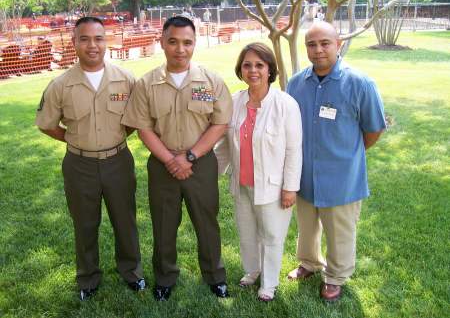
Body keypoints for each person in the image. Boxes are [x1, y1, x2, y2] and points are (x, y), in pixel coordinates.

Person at [121, 16, 232, 301]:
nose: (180, 49)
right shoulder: (147, 84)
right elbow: (142, 127)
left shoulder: (210, 81)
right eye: (173, 42)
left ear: (195, 43)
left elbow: (219, 124)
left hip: (202, 162)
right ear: (162, 42)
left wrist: (190, 156)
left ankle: (215, 276)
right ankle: (165, 277)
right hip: (162, 164)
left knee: (207, 223)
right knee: (164, 224)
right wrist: (171, 160)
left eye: (187, 42)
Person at [35, 16, 145, 301]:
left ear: (106, 42)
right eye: (84, 39)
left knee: (125, 221)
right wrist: (73, 140)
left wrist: (116, 138)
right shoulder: (60, 85)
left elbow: (135, 118)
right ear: (74, 43)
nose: (92, 45)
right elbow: (47, 124)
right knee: (84, 224)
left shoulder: (126, 79)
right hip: (79, 165)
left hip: (118, 161)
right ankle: (88, 279)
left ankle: (131, 272)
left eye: (98, 38)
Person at [286, 21, 386, 302]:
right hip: (304, 174)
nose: (318, 50)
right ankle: (309, 262)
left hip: (342, 177)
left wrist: (347, 155)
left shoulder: (360, 83)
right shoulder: (296, 83)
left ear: (338, 44)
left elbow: (373, 129)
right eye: (311, 44)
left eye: (324, 43)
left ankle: (336, 276)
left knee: (340, 231)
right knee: (306, 225)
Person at [215, 43, 302, 301]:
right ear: (240, 69)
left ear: (269, 70)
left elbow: (294, 150)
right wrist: (209, 175)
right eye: (247, 65)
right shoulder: (234, 101)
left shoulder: (285, 104)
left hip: (274, 186)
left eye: (259, 65)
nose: (253, 70)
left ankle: (270, 283)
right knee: (247, 231)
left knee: (272, 235)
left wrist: (290, 187)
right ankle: (252, 270)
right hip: (241, 183)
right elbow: (225, 146)